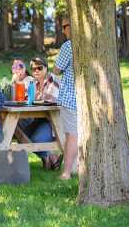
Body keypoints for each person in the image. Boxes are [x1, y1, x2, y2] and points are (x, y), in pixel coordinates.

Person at [17, 57, 62, 170]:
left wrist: (37, 97)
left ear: (46, 68)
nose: (36, 71)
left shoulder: (53, 80)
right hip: (40, 119)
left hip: (53, 122)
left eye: (39, 68)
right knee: (21, 136)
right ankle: (49, 157)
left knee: (36, 140)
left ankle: (48, 157)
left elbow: (51, 99)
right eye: (33, 69)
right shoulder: (34, 82)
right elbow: (26, 97)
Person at [53, 18, 77, 180]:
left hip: (70, 98)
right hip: (85, 99)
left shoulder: (69, 46)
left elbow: (56, 70)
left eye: (64, 27)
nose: (63, 31)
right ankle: (78, 168)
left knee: (71, 136)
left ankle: (67, 172)